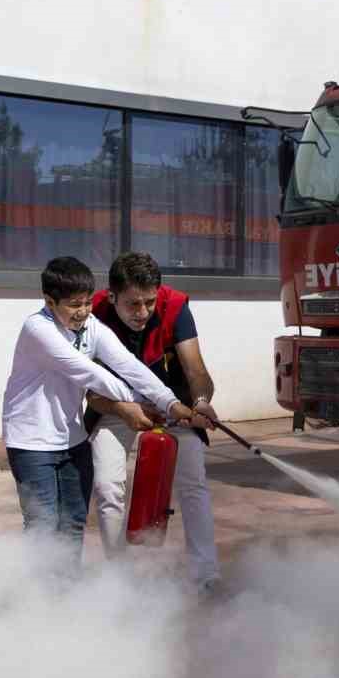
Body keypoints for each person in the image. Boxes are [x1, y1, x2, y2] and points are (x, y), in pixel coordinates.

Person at [2, 256, 203, 552]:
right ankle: (37, 596)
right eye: (73, 305)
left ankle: (67, 592)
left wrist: (171, 404)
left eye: (86, 303)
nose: (82, 312)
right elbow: (91, 375)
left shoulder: (91, 327)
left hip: (72, 440)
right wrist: (141, 403)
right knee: (42, 525)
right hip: (32, 444)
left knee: (72, 523)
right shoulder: (38, 329)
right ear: (49, 301)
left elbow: (130, 367)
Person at [85, 252, 222, 591]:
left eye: (149, 302)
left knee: (193, 484)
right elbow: (90, 394)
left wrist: (201, 403)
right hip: (116, 406)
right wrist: (124, 410)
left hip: (174, 404)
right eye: (133, 304)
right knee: (106, 487)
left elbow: (197, 371)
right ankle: (120, 579)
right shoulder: (93, 313)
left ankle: (206, 576)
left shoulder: (175, 306)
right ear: (112, 297)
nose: (143, 313)